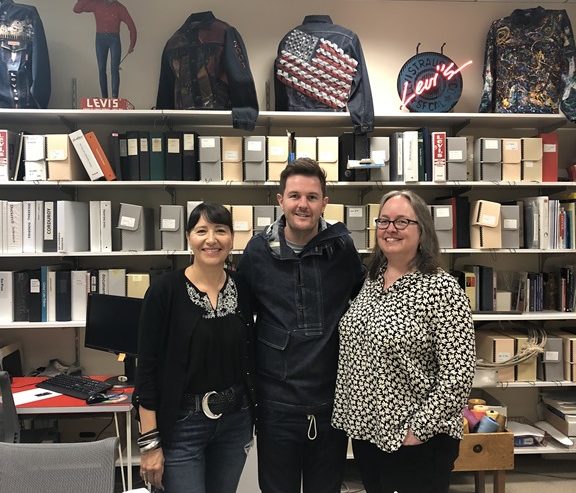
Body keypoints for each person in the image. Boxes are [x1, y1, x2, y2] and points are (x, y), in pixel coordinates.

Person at [331, 190, 476, 493]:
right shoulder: (372, 280)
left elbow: (458, 374)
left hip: (416, 439)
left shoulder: (442, 289)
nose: (390, 229)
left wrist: (418, 430)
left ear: (422, 229)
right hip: (369, 433)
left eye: (401, 221)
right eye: (384, 221)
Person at [237, 158, 365, 493]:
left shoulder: (342, 247)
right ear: (280, 200)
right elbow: (241, 320)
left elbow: (364, 301)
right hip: (276, 406)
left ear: (325, 202)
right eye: (294, 196)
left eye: (312, 197)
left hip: (331, 403)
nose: (302, 205)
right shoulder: (257, 251)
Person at [134, 202, 255, 493]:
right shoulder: (164, 291)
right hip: (182, 424)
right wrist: (150, 445)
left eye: (220, 230)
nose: (211, 239)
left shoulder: (243, 288)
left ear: (232, 239)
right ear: (189, 237)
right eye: (202, 231)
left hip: (235, 422)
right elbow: (147, 369)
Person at [73, 0, 137, 98]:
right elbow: (77, 9)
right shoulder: (97, 4)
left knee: (114, 69)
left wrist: (132, 44)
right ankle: (104, 98)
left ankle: (114, 98)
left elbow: (131, 27)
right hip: (100, 39)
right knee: (101, 69)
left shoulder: (119, 8)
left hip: (114, 40)